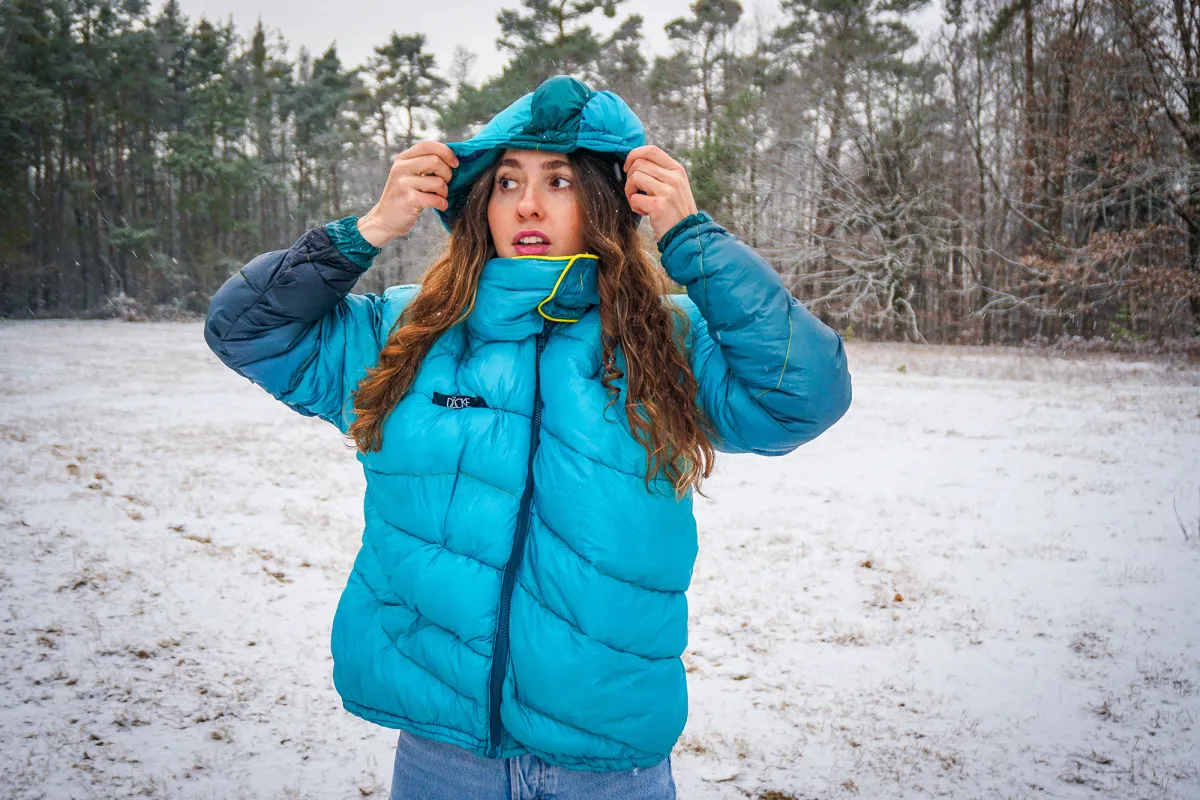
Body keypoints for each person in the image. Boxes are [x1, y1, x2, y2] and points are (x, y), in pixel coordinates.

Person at [204, 74, 852, 799]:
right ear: (482, 201)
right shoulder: (405, 332)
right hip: (445, 755)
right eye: (508, 180)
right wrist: (367, 231)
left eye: (562, 182)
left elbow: (805, 394)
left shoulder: (666, 342)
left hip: (606, 760)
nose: (530, 203)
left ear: (608, 201)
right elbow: (244, 331)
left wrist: (693, 239)